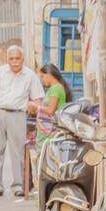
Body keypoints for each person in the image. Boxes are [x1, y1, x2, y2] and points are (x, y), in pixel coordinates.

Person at [0, 45, 44, 198]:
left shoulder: (30, 76)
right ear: (7, 59)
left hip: (18, 115)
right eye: (11, 58)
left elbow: (37, 100)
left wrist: (34, 107)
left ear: (22, 59)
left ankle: (18, 186)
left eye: (17, 58)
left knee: (17, 152)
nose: (14, 62)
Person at [25, 64, 72, 193]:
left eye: (42, 76)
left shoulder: (56, 89)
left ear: (49, 74)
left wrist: (36, 107)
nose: (42, 79)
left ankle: (48, 190)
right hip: (46, 130)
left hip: (50, 131)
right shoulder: (55, 88)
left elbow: (51, 111)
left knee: (47, 161)